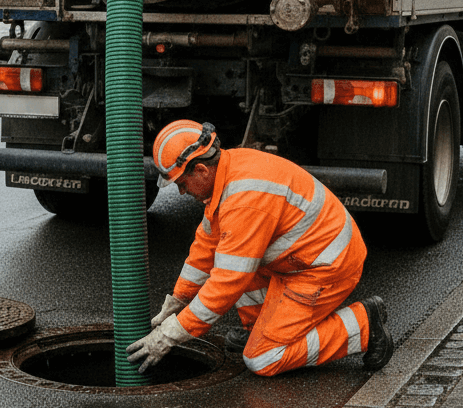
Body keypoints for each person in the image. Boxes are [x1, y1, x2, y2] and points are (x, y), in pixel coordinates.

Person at [126, 119, 393, 376]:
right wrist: (179, 300)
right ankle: (259, 329)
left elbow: (226, 285)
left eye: (182, 184)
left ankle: (363, 325)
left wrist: (170, 335)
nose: (182, 192)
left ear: (201, 170)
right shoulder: (228, 171)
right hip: (302, 256)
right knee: (235, 262)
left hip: (324, 266)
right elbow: (206, 247)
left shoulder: (244, 200)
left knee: (263, 358)